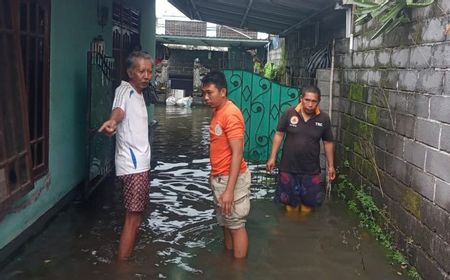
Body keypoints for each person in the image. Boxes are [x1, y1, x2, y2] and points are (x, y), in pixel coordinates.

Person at [98, 51, 153, 260]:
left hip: (141, 165)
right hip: (133, 166)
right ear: (131, 72)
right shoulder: (125, 90)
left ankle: (126, 260)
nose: (147, 75)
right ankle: (123, 268)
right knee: (132, 219)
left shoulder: (139, 94)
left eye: (149, 71)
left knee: (136, 218)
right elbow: (118, 111)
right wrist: (112, 121)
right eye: (141, 71)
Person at [202, 70, 251, 258]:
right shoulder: (218, 112)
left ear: (222, 92)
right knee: (226, 223)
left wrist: (229, 190)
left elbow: (238, 153)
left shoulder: (231, 114)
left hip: (232, 179)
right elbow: (219, 148)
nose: (206, 97)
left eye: (209, 93)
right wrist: (213, 175)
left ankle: (238, 270)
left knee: (236, 226)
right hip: (220, 177)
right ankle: (228, 262)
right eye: (204, 93)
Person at [266, 85, 335, 214]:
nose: (310, 104)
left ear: (318, 102)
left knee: (308, 206)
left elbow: (328, 142)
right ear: (301, 99)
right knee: (289, 206)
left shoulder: (324, 119)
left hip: (310, 170)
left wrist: (331, 166)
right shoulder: (289, 113)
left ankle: (303, 229)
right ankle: (290, 229)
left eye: (314, 101)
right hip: (288, 167)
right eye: (307, 100)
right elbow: (279, 134)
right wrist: (272, 157)